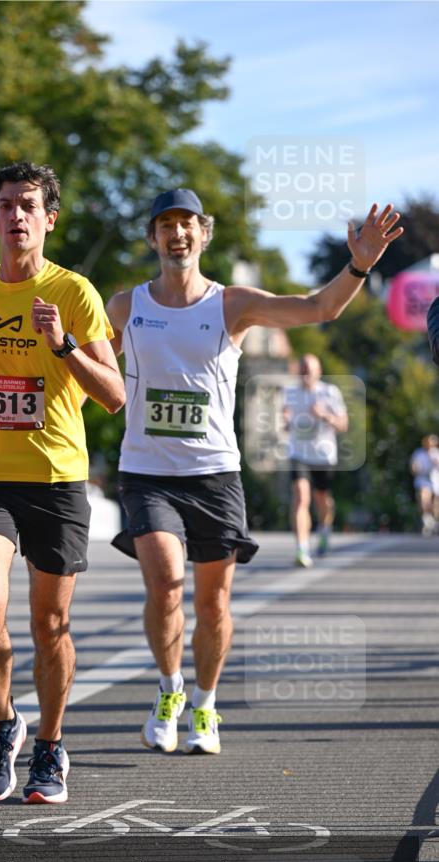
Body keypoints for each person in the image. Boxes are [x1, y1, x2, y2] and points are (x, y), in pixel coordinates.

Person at [107, 190, 402, 755]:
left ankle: (205, 703)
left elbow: (318, 308)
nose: (177, 234)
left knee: (213, 604)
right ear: (152, 238)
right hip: (147, 472)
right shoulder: (124, 307)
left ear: (204, 233)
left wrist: (359, 265)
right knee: (165, 585)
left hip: (214, 474)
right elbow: (90, 367)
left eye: (187, 224)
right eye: (165, 225)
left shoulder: (231, 304)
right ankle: (169, 690)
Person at [0, 161, 125, 804]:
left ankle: (50, 744)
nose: (15, 215)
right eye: (5, 205)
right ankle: (1, 725)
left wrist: (63, 343)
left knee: (50, 624)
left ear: (49, 219)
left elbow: (114, 395)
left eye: (27, 205)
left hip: (55, 477)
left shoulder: (75, 292)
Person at [282, 353, 348, 567]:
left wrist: (324, 415)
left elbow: (343, 425)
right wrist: (285, 420)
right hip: (298, 453)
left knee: (322, 499)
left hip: (323, 454)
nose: (306, 374)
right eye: (303, 369)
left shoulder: (329, 392)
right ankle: (302, 548)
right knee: (300, 497)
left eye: (309, 370)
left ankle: (325, 529)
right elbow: (285, 420)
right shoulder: (289, 392)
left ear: (319, 372)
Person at [410, 434, 439, 536]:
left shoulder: (436, 453)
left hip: (435, 480)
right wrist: (416, 468)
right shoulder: (419, 453)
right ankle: (427, 520)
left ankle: (434, 522)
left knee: (436, 503)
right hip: (423, 479)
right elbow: (414, 467)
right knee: (424, 499)